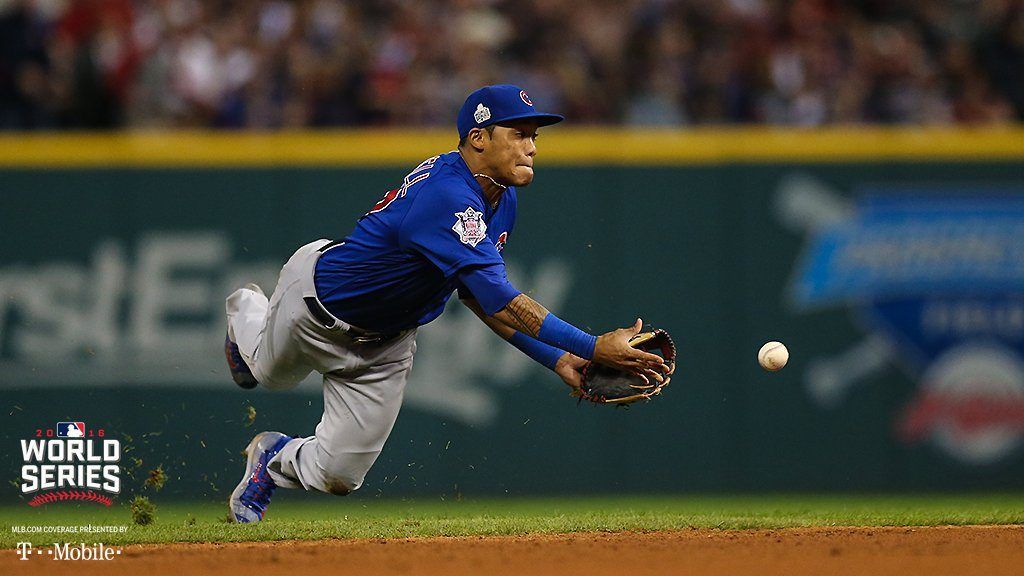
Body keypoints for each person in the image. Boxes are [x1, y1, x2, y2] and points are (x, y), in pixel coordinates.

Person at [224, 85, 670, 523]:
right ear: (478, 137)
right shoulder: (448, 195)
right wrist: (592, 347)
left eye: (535, 135)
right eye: (518, 133)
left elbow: (479, 297)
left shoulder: (501, 196)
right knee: (268, 374)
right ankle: (246, 308)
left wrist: (557, 359)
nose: (531, 147)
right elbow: (501, 297)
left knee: (339, 475)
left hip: (385, 346)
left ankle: (273, 458)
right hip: (316, 307)